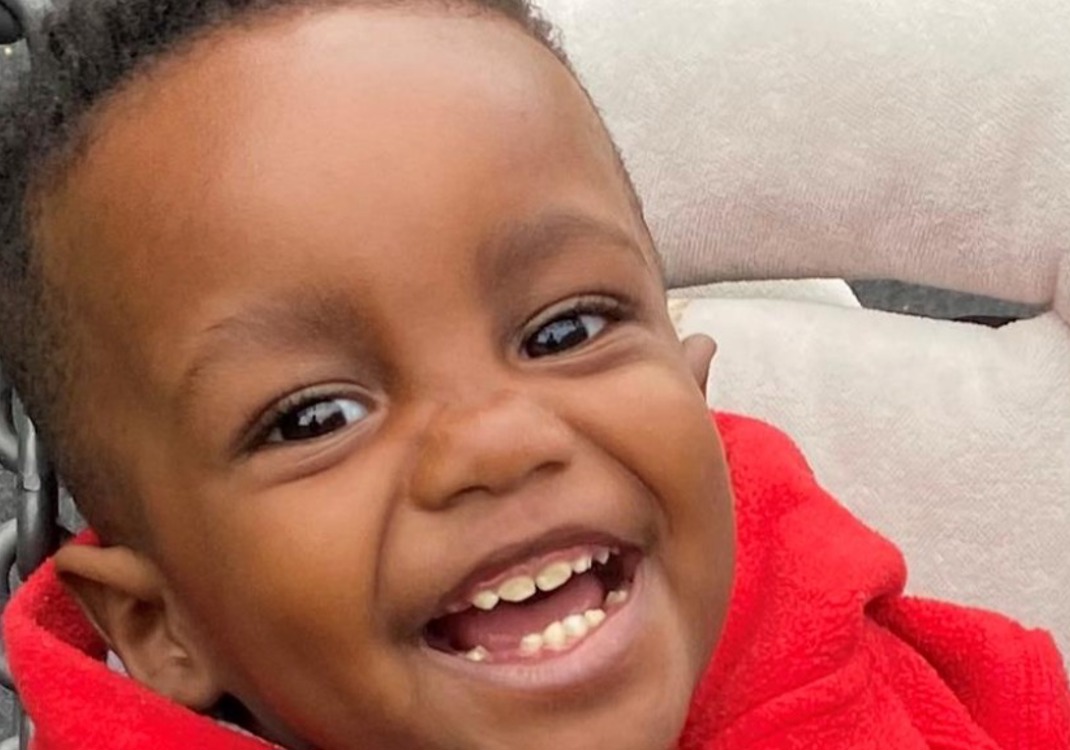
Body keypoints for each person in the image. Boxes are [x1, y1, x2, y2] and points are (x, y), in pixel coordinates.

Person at [0, 1, 1067, 748]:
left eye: (565, 331)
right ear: (161, 626)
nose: (498, 440)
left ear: (694, 394)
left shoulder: (861, 636)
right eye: (314, 417)